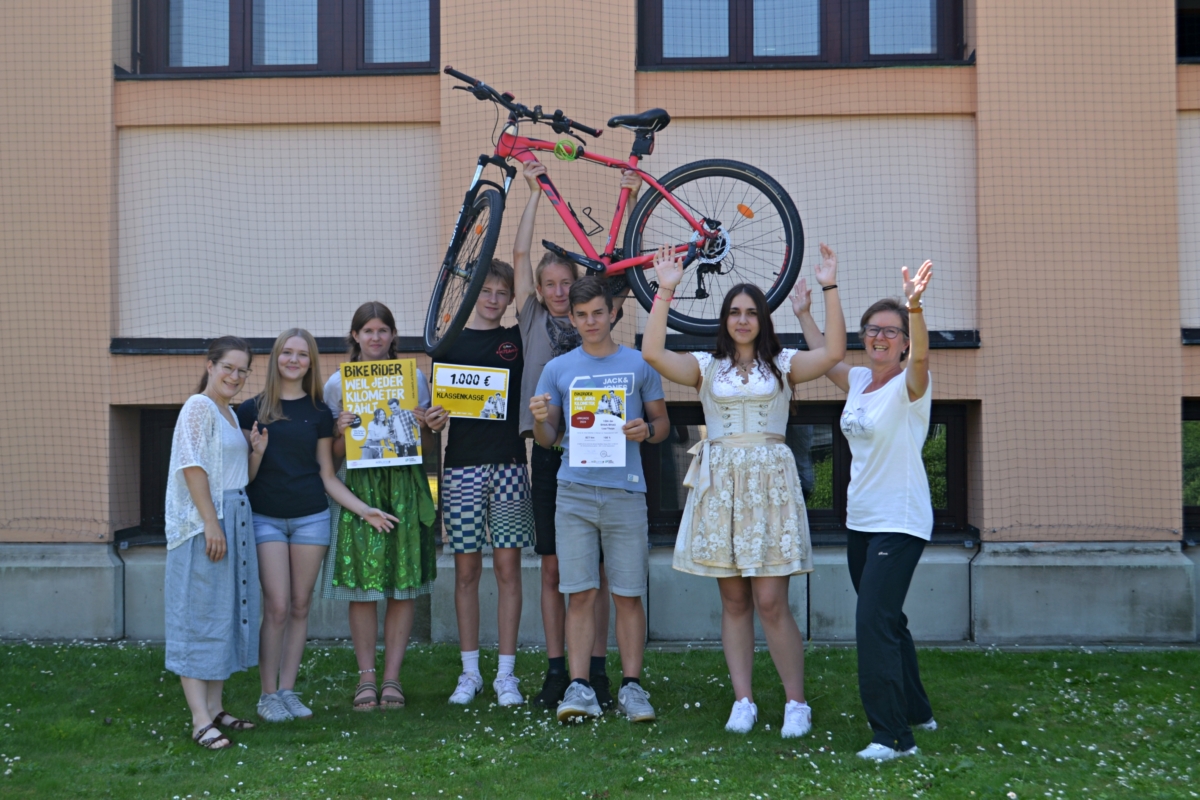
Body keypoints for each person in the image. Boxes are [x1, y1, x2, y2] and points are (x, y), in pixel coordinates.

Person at [641, 243, 846, 738]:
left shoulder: (786, 363)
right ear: (724, 320)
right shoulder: (705, 367)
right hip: (722, 487)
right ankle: (743, 700)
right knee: (734, 602)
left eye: (751, 312)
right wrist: (665, 289)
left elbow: (836, 352)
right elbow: (651, 351)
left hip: (770, 487)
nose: (742, 319)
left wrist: (828, 288)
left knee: (772, 600)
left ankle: (796, 703)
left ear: (763, 319)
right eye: (734, 312)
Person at [514, 160, 642, 710]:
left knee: (609, 573)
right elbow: (520, 257)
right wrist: (535, 191)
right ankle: (558, 669)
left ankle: (597, 670)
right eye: (552, 285)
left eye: (569, 284)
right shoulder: (533, 320)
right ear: (541, 291)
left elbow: (622, 265)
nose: (562, 293)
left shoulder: (602, 328)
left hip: (610, 461)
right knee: (557, 569)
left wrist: (630, 196)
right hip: (554, 453)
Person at [798, 259, 937, 761]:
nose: (880, 337)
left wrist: (915, 305)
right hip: (862, 523)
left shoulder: (910, 386)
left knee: (872, 624)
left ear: (903, 341)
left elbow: (920, 360)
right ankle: (919, 709)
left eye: (891, 332)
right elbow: (823, 355)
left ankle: (894, 737)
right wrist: (806, 310)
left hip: (899, 522)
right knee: (889, 620)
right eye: (873, 330)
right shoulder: (859, 381)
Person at [236, 329, 398, 723]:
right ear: (276, 357)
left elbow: (328, 475)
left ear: (311, 362)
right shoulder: (250, 410)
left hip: (311, 518)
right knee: (275, 606)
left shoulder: (319, 412)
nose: (294, 360)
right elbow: (244, 476)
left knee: (299, 605)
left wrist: (364, 510)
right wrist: (256, 453)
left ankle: (288, 691)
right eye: (287, 353)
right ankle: (267, 694)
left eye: (302, 354)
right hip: (266, 519)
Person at [530, 276, 670, 724]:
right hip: (573, 493)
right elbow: (550, 437)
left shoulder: (639, 364)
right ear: (571, 319)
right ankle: (581, 687)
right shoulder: (558, 369)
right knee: (581, 593)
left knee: (628, 593)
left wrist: (646, 431)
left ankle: (632, 687)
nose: (590, 322)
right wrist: (537, 422)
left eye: (597, 313)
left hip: (626, 492)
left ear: (613, 313)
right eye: (581, 315)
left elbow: (662, 424)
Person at [424, 259, 534, 707]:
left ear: (510, 298)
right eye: (483, 290)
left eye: (500, 292)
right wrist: (433, 420)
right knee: (465, 572)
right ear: (470, 292)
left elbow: (528, 278)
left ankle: (506, 675)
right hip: (461, 469)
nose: (491, 298)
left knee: (509, 571)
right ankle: (469, 672)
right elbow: (437, 413)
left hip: (509, 466)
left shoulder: (518, 340)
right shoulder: (447, 344)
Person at [320, 302, 437, 711]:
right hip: (361, 486)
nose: (375, 337)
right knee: (364, 584)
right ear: (355, 336)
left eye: (382, 330)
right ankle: (366, 678)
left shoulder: (414, 378)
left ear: (392, 336)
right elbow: (333, 456)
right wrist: (339, 429)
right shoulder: (336, 384)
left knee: (402, 583)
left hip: (403, 482)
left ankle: (393, 679)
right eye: (367, 330)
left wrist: (428, 425)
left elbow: (424, 445)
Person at [163, 336, 259, 750]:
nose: (235, 376)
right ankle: (199, 719)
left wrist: (256, 452)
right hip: (207, 524)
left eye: (242, 371)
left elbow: (240, 478)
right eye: (228, 368)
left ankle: (216, 707)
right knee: (198, 614)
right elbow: (192, 466)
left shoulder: (231, 415)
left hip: (236, 517)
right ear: (210, 366)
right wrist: (210, 523)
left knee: (225, 612)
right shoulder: (197, 408)